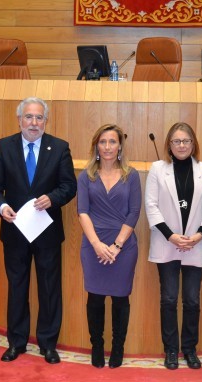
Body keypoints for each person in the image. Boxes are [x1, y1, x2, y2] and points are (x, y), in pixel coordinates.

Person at [0, 97, 77, 365]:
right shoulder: (4, 147)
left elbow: (69, 186)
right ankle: (16, 342)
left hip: (46, 231)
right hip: (14, 230)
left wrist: (53, 198)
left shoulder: (59, 148)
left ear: (46, 121)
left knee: (50, 288)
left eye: (39, 118)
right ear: (19, 120)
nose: (34, 123)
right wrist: (1, 206)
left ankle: (48, 344)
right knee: (17, 287)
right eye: (29, 117)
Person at [144, 122, 202, 370]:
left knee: (192, 301)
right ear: (169, 145)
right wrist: (171, 235)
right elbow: (151, 205)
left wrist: (199, 235)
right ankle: (171, 350)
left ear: (193, 144)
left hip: (196, 244)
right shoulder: (157, 169)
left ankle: (190, 349)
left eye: (186, 141)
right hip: (167, 244)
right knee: (169, 299)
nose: (181, 145)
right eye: (176, 141)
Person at [77, 124, 141, 369]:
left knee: (120, 298)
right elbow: (82, 211)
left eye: (112, 142)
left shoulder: (131, 175)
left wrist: (116, 245)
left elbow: (134, 212)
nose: (107, 147)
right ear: (96, 146)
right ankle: (96, 345)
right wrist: (97, 245)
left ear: (120, 146)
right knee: (94, 297)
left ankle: (117, 347)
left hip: (123, 247)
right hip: (93, 244)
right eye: (102, 142)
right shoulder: (85, 176)